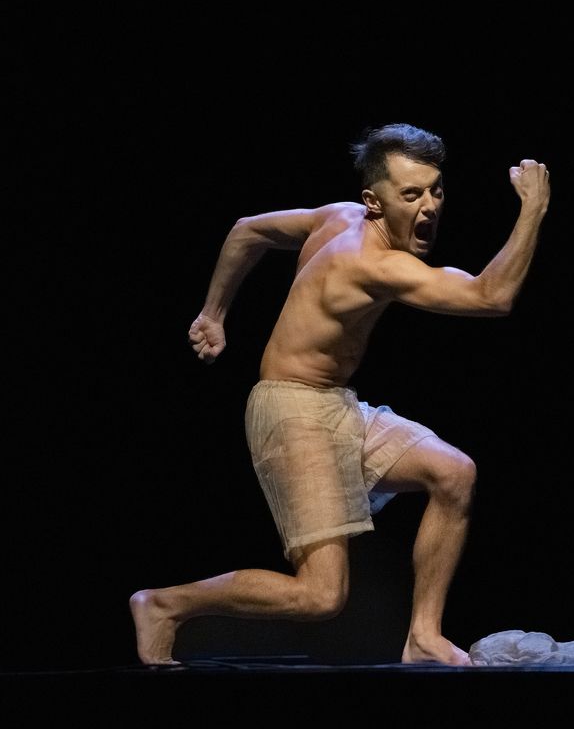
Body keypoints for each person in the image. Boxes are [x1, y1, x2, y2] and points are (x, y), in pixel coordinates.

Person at [129, 123, 550, 666]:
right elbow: (491, 297)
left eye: (436, 190)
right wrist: (533, 209)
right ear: (374, 202)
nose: (429, 207)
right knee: (320, 596)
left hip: (334, 404)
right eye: (411, 195)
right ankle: (165, 605)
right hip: (292, 412)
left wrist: (214, 313)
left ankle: (423, 636)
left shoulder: (338, 216)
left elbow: (246, 231)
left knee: (453, 473)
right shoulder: (375, 264)